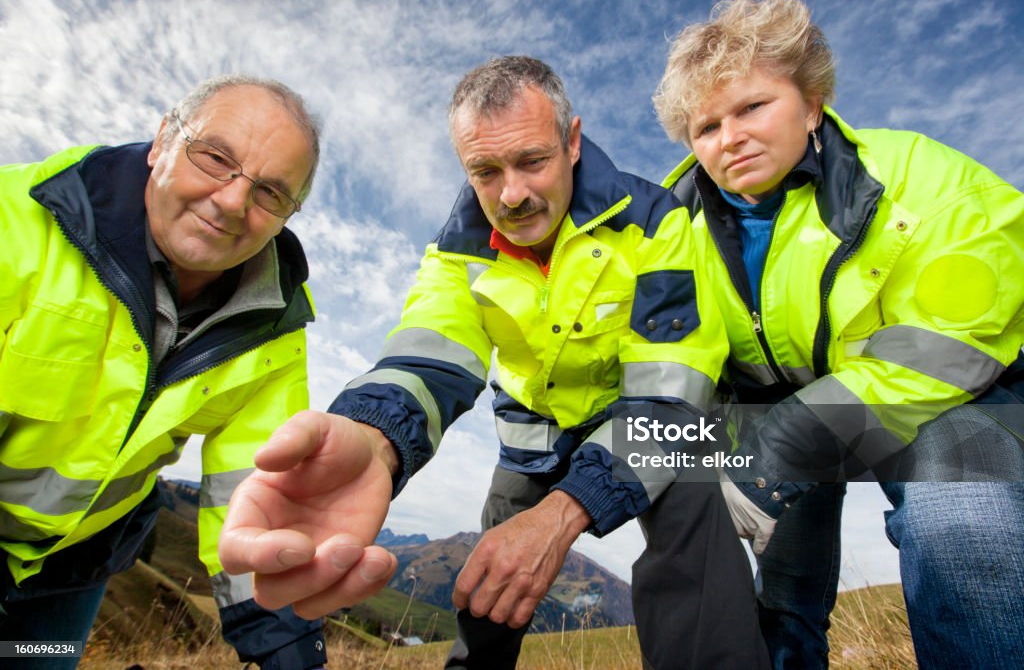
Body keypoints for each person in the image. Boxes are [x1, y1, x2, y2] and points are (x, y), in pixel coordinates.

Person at [220, 56, 770, 669]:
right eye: (485, 171)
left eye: (533, 161)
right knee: (487, 585)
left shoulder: (660, 221)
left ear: (573, 140)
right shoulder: (455, 249)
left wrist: (565, 513)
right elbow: (431, 346)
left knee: (693, 504)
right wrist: (374, 437)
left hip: (646, 423)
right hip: (530, 437)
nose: (513, 194)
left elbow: (675, 387)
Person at [653, 0, 1024, 668]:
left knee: (963, 520)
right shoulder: (667, 234)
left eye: (752, 107)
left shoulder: (922, 178)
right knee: (776, 590)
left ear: (812, 100)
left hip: (945, 401)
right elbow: (665, 361)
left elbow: (956, 343)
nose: (729, 137)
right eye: (705, 127)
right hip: (773, 408)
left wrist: (779, 454)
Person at [0, 75, 329, 669]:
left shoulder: (275, 326)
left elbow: (254, 490)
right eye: (215, 158)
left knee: (29, 660)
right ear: (161, 142)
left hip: (72, 573)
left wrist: (284, 644)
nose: (232, 201)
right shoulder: (14, 223)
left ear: (287, 216)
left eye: (270, 193)